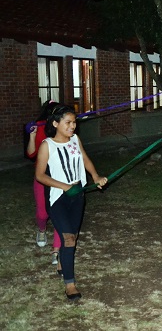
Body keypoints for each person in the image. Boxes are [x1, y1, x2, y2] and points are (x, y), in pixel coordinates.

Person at [35, 104, 108, 301]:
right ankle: (70, 284)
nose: (73, 126)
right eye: (68, 122)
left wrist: (95, 176)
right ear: (56, 123)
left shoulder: (75, 139)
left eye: (74, 122)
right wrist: (65, 186)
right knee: (69, 240)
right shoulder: (46, 145)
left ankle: (62, 262)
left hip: (78, 196)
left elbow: (85, 159)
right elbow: (40, 176)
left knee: (72, 236)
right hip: (59, 198)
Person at [26, 100, 62, 264]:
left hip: (60, 177)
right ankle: (41, 229)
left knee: (58, 213)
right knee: (43, 213)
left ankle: (56, 250)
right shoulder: (40, 128)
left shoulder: (63, 129)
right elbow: (31, 154)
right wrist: (32, 135)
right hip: (42, 176)